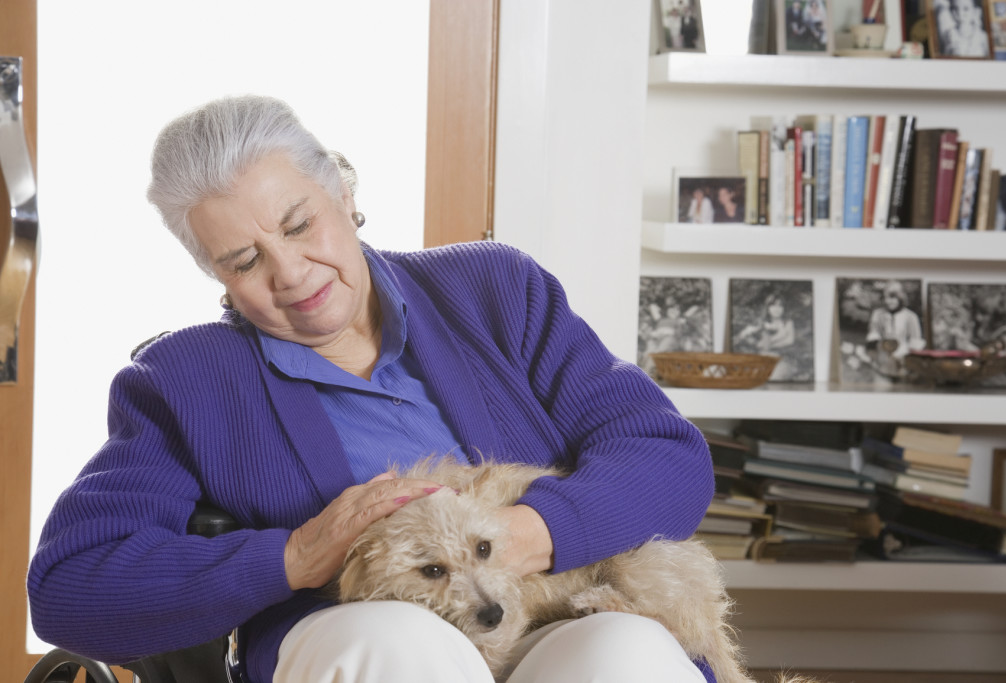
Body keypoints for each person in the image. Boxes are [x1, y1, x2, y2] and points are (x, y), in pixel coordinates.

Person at [27, 95, 716, 683]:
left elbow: (666, 457)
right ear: (217, 275)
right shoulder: (186, 380)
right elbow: (70, 587)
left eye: (300, 225)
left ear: (345, 195)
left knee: (626, 651)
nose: (292, 272)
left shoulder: (494, 287)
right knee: (397, 642)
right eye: (245, 260)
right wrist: (294, 556)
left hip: (551, 611)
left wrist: (521, 537)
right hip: (358, 637)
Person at [863, 280, 925, 380]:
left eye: (892, 297)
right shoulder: (878, 314)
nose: (888, 301)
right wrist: (874, 355)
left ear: (901, 298)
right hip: (882, 361)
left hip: (903, 362)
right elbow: (873, 335)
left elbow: (915, 342)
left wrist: (909, 362)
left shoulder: (911, 316)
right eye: (885, 297)